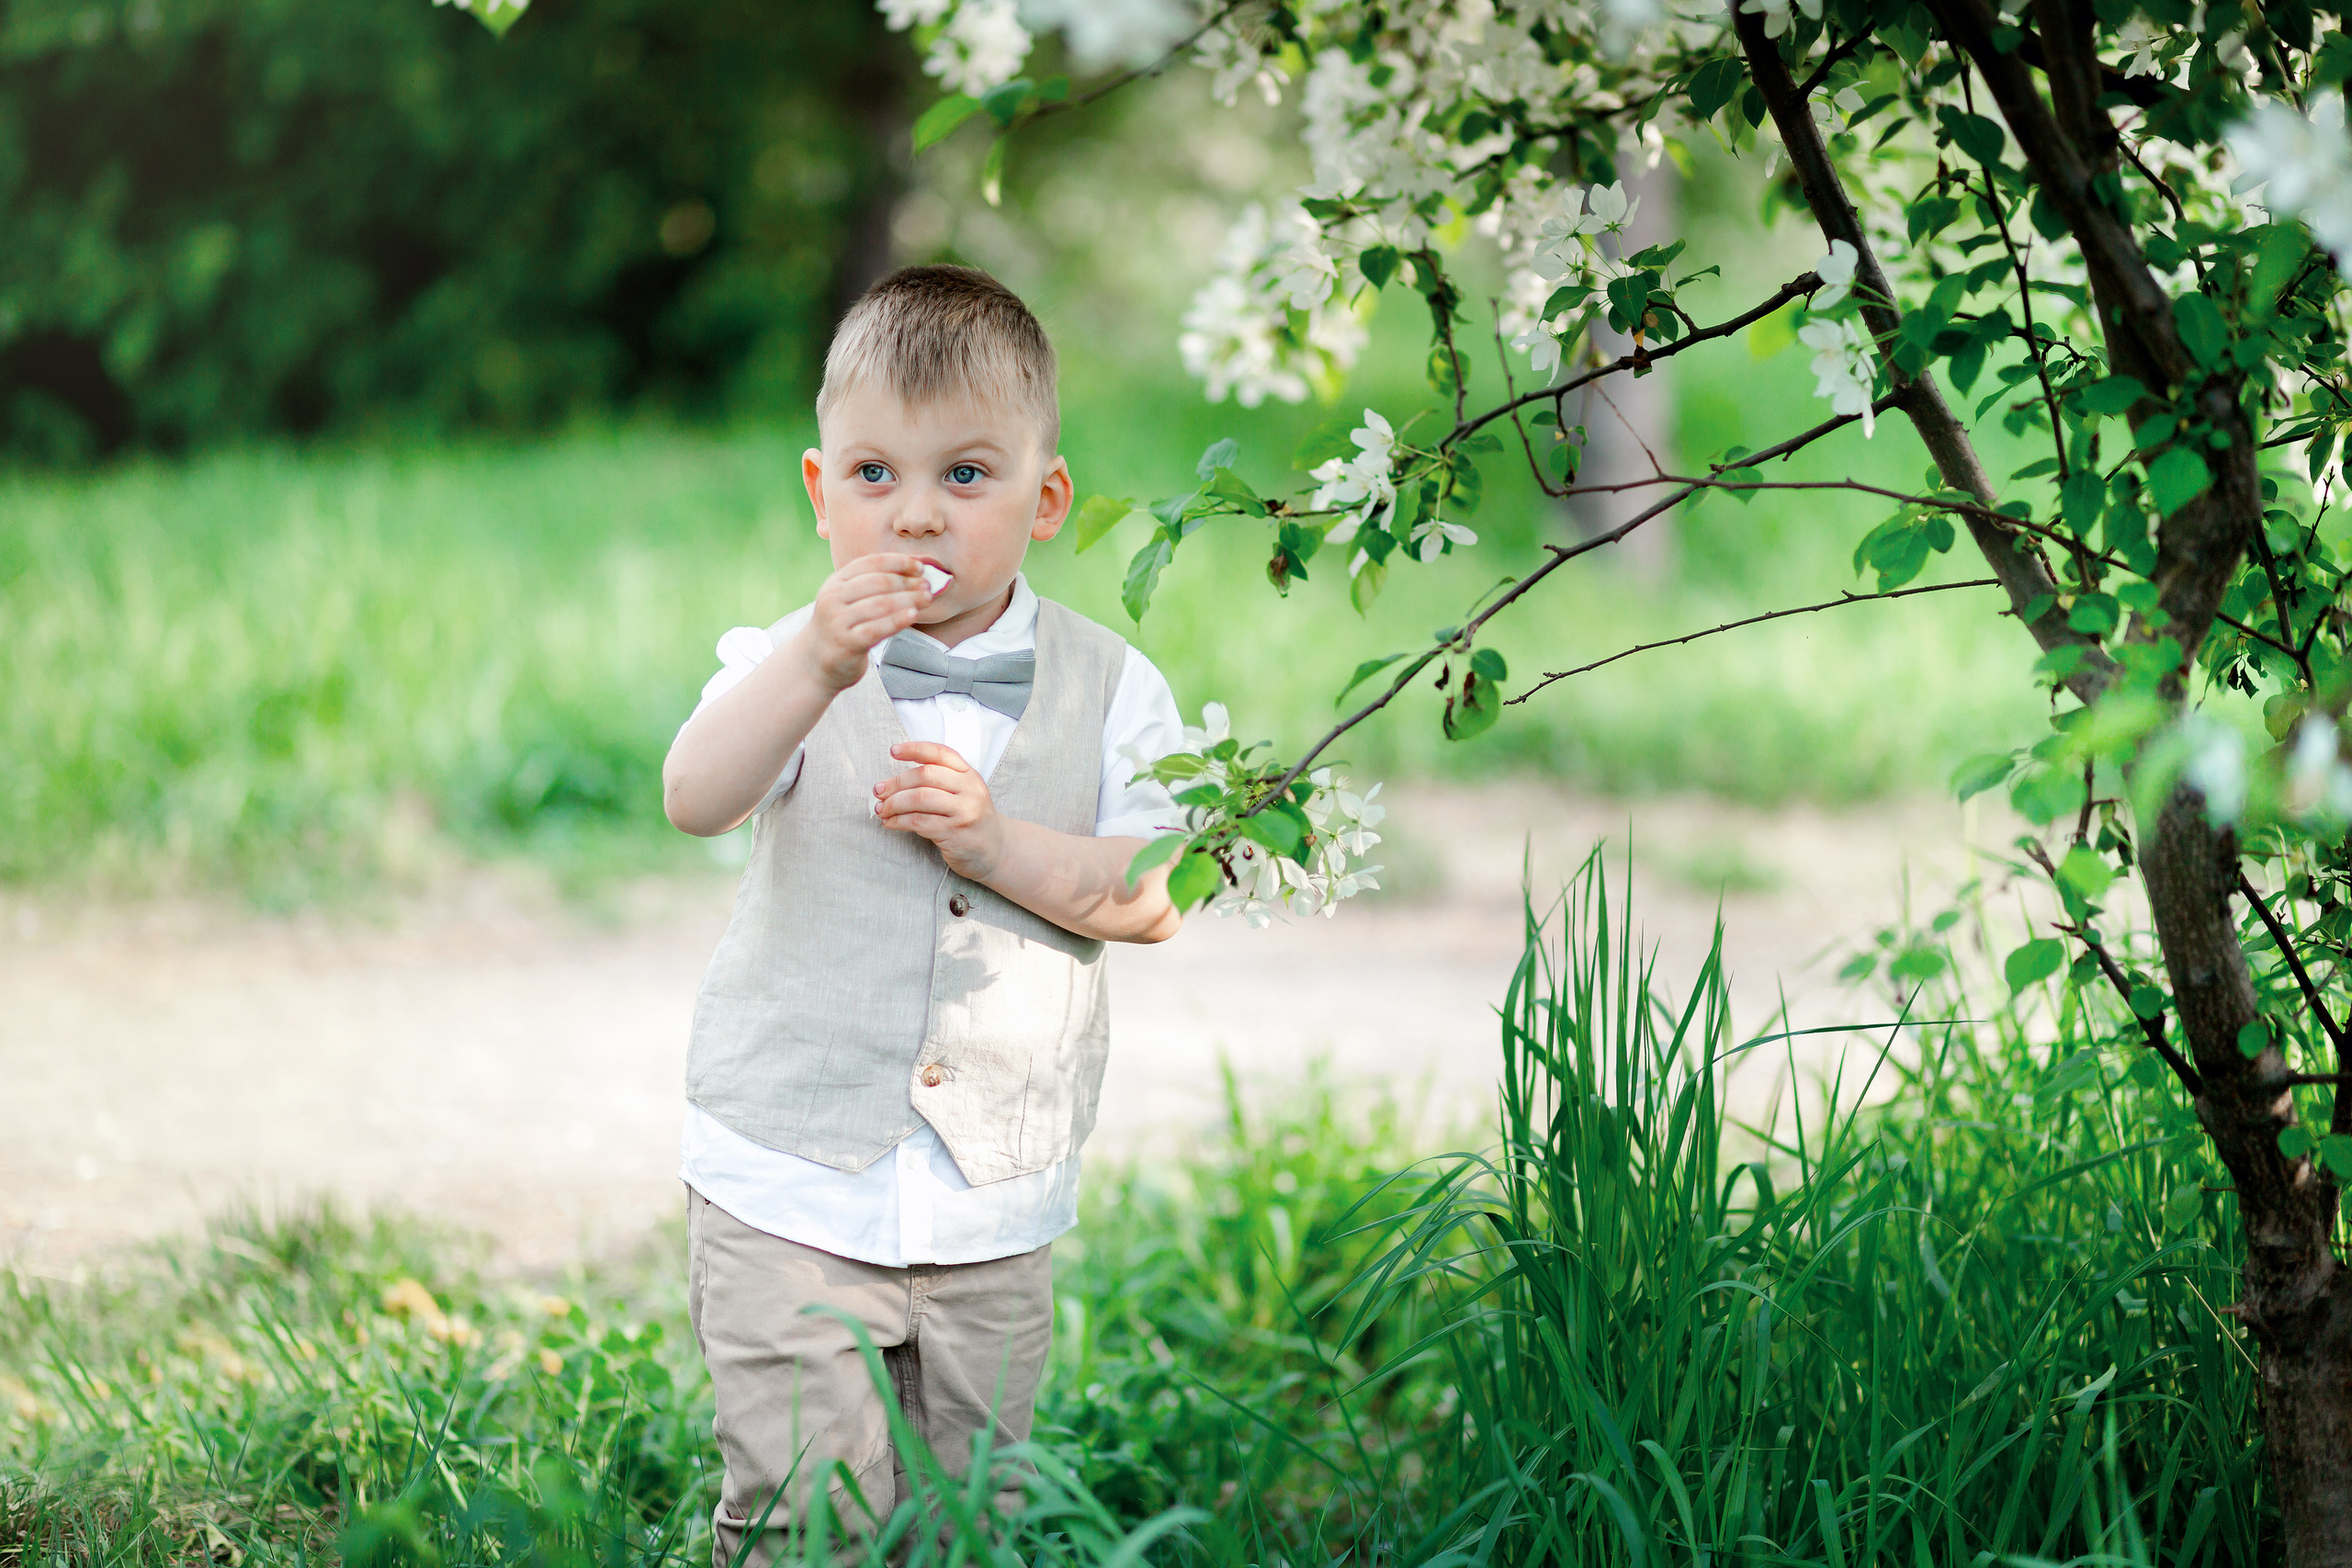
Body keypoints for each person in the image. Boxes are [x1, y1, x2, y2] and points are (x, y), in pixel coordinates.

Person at [660, 264, 1187, 1560]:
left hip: (991, 1208)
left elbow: (1156, 896)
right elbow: (694, 795)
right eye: (873, 478)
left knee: (966, 1520)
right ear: (818, 491)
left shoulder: (1112, 686)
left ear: (1044, 499)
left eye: (965, 476)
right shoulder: (783, 662)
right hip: (789, 1183)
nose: (915, 518)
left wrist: (1000, 844)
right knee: (804, 1514)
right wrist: (814, 667)